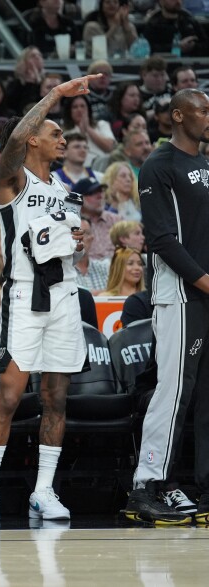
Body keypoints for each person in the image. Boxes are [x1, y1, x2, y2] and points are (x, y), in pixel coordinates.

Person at [0, 73, 96, 523]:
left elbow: (65, 241)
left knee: (56, 398)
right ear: (33, 143)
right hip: (25, 296)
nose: (63, 138)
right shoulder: (13, 181)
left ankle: (43, 491)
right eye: (55, 132)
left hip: (64, 294)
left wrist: (79, 239)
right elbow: (18, 137)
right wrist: (56, 94)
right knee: (9, 396)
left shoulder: (65, 190)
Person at [124, 88, 209, 526]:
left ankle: (203, 485)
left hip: (206, 291)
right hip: (179, 292)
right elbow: (160, 239)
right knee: (174, 388)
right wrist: (204, 280)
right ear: (178, 115)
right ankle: (147, 485)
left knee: (204, 393)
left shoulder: (206, 164)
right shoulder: (159, 165)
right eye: (202, 110)